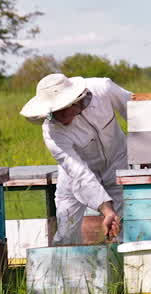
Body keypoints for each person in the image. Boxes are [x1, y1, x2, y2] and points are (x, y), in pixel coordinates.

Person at [20, 73, 131, 244]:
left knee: (123, 229)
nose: (58, 119)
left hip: (118, 164)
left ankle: (119, 269)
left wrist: (148, 151)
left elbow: (136, 111)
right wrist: (106, 209)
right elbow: (79, 173)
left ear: (74, 101)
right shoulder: (52, 133)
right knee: (66, 233)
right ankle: (65, 269)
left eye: (62, 112)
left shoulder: (103, 89)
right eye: (52, 113)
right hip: (73, 177)